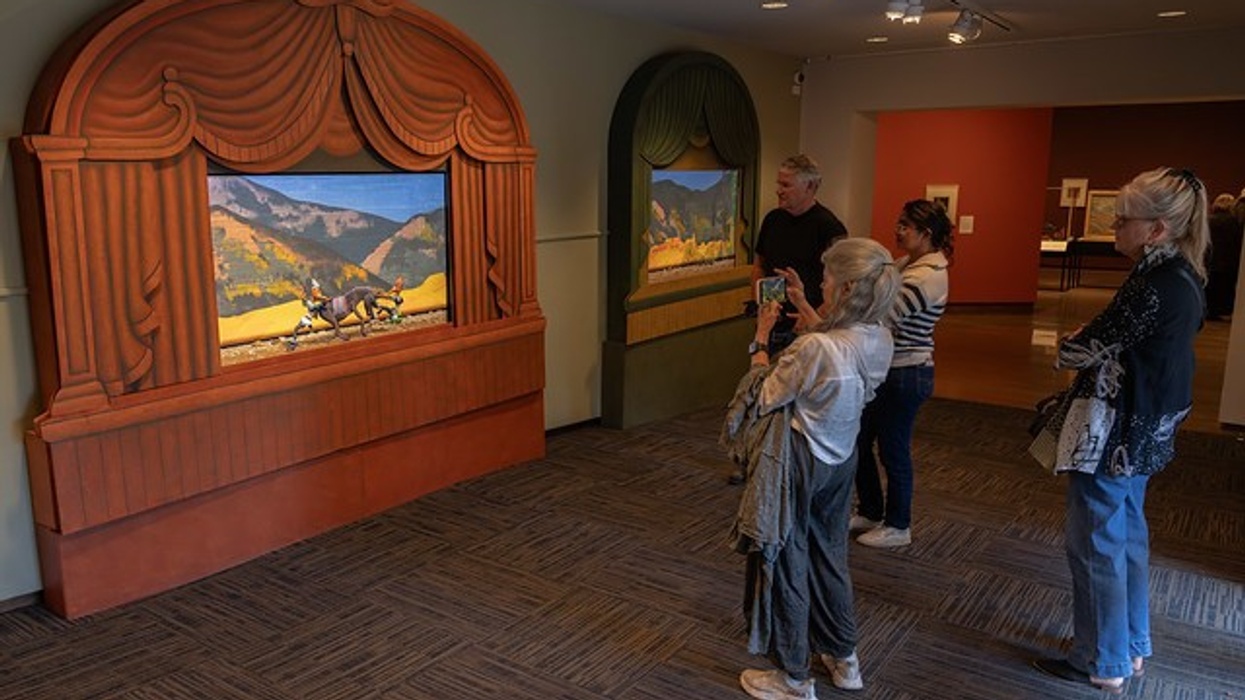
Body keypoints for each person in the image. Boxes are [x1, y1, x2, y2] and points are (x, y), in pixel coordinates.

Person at [1033, 167, 1208, 693]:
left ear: (1156, 228)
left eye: (1123, 218)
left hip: (1116, 431)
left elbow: (1074, 350)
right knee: (1126, 535)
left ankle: (1101, 658)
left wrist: (1079, 338)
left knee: (1094, 545)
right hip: (1147, 427)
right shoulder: (1184, 275)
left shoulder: (1150, 286)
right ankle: (1130, 646)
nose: (1114, 224)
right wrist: (1097, 336)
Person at [723, 238, 900, 700]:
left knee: (788, 558)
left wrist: (761, 338)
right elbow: (841, 349)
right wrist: (801, 301)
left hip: (799, 461)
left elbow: (763, 397)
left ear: (843, 289)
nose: (818, 283)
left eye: (824, 279)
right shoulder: (879, 339)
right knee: (829, 553)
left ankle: (794, 678)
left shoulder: (814, 348)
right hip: (842, 458)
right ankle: (844, 659)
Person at [851, 199, 953, 548]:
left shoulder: (926, 276)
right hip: (890, 370)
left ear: (926, 234)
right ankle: (871, 510)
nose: (898, 231)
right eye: (899, 223)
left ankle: (898, 525)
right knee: (862, 440)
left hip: (907, 373)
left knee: (893, 450)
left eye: (905, 226)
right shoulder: (909, 264)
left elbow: (883, 314)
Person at [753, 154, 848, 355]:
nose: (779, 191)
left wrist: (811, 314)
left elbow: (844, 284)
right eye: (779, 184)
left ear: (810, 187)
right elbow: (759, 265)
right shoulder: (772, 219)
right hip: (770, 327)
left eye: (786, 185)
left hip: (808, 332)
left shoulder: (829, 227)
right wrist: (759, 302)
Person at [1205, 193, 1242, 320]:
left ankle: (1209, 311)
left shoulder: (1208, 220)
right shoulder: (1235, 223)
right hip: (1228, 263)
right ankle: (1221, 312)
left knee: (1210, 287)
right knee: (1224, 289)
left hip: (1210, 261)